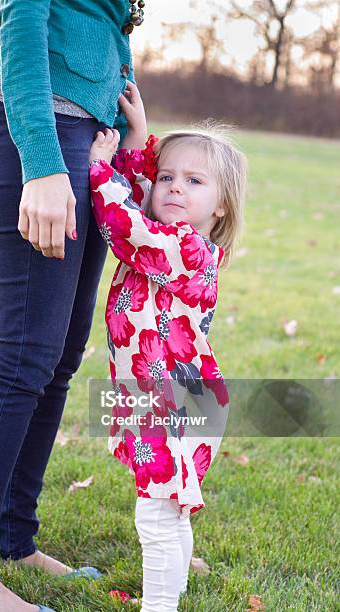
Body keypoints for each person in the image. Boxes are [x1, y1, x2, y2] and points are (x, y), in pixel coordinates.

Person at [0, 1, 142, 611]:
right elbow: (23, 17)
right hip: (35, 124)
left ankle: (12, 536)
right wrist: (43, 161)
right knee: (24, 353)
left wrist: (123, 116)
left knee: (57, 357)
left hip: (84, 131)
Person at [88, 82, 247, 610]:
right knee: (169, 510)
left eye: (194, 181)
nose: (174, 188)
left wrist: (99, 169)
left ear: (220, 206)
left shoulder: (186, 249)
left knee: (155, 517)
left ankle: (162, 606)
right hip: (170, 397)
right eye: (168, 178)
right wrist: (136, 140)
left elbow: (124, 223)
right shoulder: (173, 233)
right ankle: (171, 595)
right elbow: (140, 199)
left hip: (173, 404)